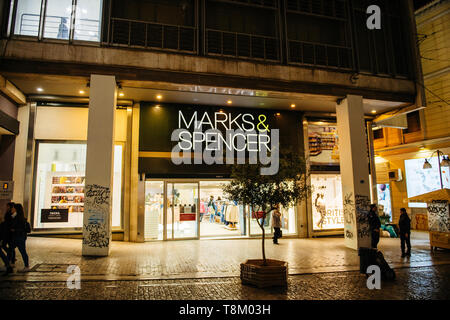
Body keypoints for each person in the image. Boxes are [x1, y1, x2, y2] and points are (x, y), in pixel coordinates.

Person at [9, 203, 30, 272]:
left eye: (13, 208)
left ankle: (26, 266)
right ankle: (10, 264)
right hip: (17, 237)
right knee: (11, 250)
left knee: (22, 251)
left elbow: (22, 228)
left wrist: (14, 230)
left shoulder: (19, 218)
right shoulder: (14, 216)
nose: (12, 209)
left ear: (16, 209)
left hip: (19, 237)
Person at [0, 203, 14, 275]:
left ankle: (8, 264)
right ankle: (8, 264)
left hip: (8, 234)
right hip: (7, 234)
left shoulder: (10, 214)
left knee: (2, 251)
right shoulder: (9, 214)